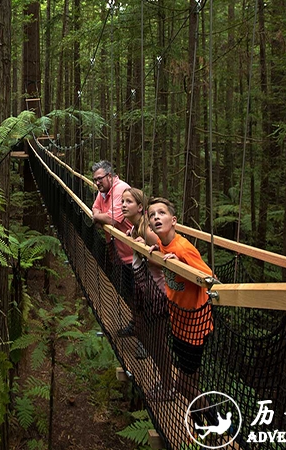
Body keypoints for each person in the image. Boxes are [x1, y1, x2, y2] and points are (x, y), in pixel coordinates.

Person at [146, 197, 214, 412]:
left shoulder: (183, 249)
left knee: (184, 385)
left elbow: (210, 278)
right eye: (152, 215)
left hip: (195, 326)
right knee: (189, 382)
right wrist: (150, 249)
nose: (156, 217)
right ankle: (202, 425)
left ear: (173, 220)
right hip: (178, 323)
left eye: (161, 213)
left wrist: (181, 264)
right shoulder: (162, 243)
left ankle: (216, 422)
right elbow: (159, 248)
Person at [121, 188, 174, 399]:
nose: (123, 205)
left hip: (156, 292)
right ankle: (166, 383)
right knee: (149, 337)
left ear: (140, 207)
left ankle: (168, 386)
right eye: (122, 201)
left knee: (158, 343)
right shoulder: (136, 227)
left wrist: (142, 247)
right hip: (146, 289)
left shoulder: (146, 229)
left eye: (128, 202)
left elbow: (160, 258)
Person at [90, 161, 137, 344]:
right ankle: (135, 325)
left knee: (140, 296)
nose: (97, 183)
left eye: (99, 179)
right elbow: (95, 209)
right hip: (118, 251)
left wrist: (99, 217)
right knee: (129, 293)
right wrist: (100, 216)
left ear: (110, 176)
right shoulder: (104, 191)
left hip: (134, 253)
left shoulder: (121, 190)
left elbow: (113, 219)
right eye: (94, 180)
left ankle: (145, 340)